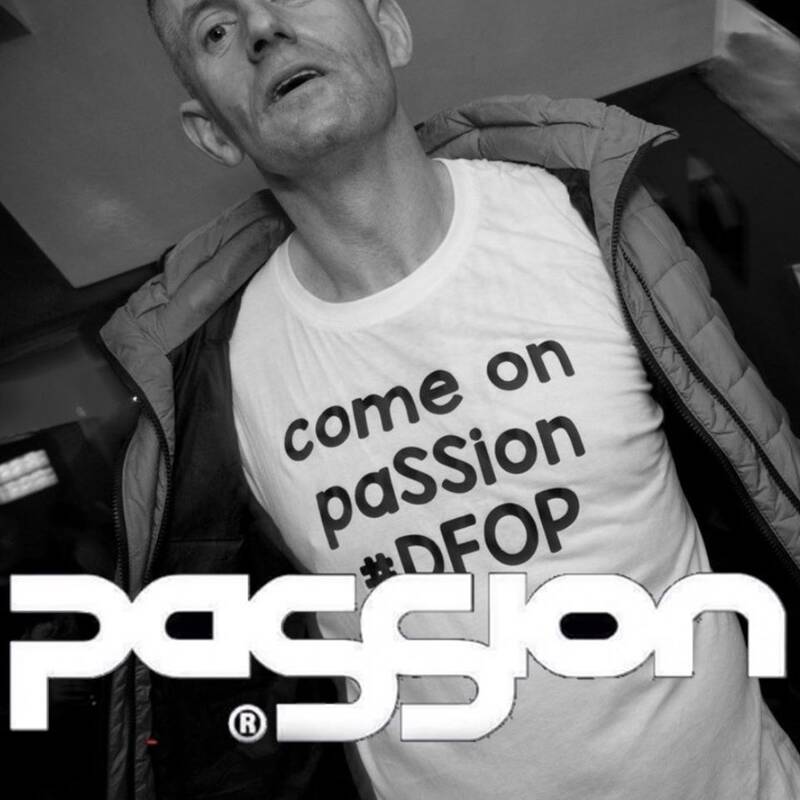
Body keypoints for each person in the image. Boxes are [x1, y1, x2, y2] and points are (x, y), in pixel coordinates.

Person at [100, 1, 800, 799]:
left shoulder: (588, 220)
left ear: (390, 28)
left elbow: (764, 477)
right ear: (213, 133)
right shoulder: (216, 373)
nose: (262, 27)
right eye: (215, 30)